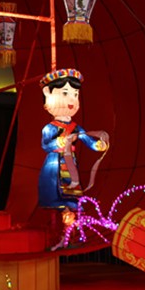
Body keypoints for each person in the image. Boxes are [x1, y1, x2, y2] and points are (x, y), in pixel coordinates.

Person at [38, 68, 109, 228]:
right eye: (65, 93)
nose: (72, 99)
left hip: (70, 164)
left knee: (72, 194)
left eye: (75, 95)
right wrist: (60, 142)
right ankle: (61, 222)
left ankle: (70, 225)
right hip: (54, 164)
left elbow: (87, 139)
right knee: (56, 194)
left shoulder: (76, 127)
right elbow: (45, 145)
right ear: (48, 94)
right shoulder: (50, 127)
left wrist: (97, 145)